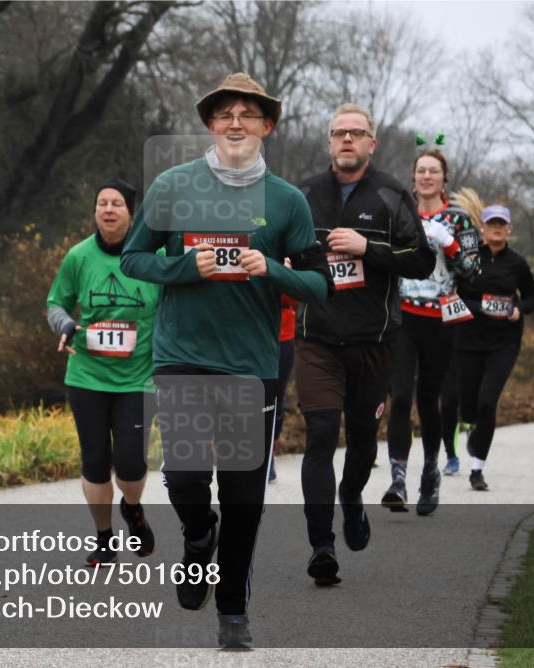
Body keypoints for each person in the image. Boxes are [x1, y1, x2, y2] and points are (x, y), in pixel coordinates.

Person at [121, 73, 330, 648]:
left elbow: (320, 283)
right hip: (183, 354)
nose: (235, 123)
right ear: (210, 124)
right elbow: (135, 261)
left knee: (244, 494)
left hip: (250, 362)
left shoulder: (287, 202)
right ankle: (197, 536)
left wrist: (276, 270)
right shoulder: (172, 185)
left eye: (248, 114)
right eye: (224, 114)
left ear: (267, 126)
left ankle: (233, 608)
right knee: (186, 478)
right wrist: (189, 268)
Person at [296, 103, 435, 585]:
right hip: (316, 338)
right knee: (319, 433)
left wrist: (367, 248)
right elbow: (277, 251)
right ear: (329, 141)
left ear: (372, 144)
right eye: (339, 133)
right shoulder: (305, 195)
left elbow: (422, 261)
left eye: (357, 133)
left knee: (359, 440)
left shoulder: (393, 194)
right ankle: (321, 546)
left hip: (373, 340)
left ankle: (351, 498)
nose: (347, 140)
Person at [46, 178, 159, 567]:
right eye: (101, 204)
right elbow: (55, 304)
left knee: (130, 463)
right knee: (95, 462)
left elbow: (173, 305)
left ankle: (133, 508)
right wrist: (63, 325)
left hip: (138, 378)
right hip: (87, 375)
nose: (108, 210)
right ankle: (104, 538)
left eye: (116, 204)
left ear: (132, 214)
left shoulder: (151, 256)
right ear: (95, 211)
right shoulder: (79, 257)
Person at [383, 148, 480, 515]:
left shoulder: (458, 218)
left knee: (430, 399)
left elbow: (475, 272)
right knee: (401, 395)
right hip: (402, 317)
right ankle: (397, 479)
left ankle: (430, 471)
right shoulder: (398, 214)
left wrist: (449, 242)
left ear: (444, 178)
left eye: (433, 171)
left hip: (440, 320)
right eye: (420, 170)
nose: (426, 176)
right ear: (413, 177)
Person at [455, 202, 534, 490]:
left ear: (509, 229)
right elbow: (455, 295)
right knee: (468, 406)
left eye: (501, 224)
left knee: (488, 401)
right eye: (492, 224)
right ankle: (471, 424)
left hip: (503, 342)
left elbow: (532, 298)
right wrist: (480, 307)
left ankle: (477, 470)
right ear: (483, 228)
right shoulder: (468, 259)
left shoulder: (517, 263)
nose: (496, 229)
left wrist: (518, 308)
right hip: (467, 340)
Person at [270, 291, 299, 484]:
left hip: (283, 332)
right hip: (248, 331)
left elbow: (296, 297)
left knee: (276, 397)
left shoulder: (287, 259)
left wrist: (284, 274)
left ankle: (268, 455)